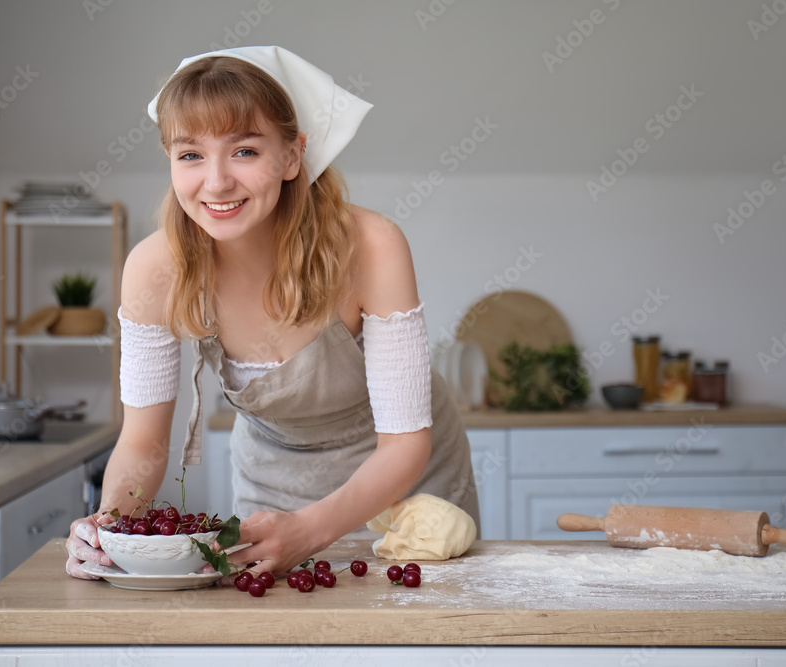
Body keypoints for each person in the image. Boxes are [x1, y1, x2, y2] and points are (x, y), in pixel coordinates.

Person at [66, 46, 479, 579]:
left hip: (408, 487)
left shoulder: (372, 247)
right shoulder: (153, 268)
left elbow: (405, 444)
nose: (215, 183)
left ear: (291, 157)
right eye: (190, 155)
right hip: (272, 481)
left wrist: (311, 531)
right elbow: (143, 440)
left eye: (244, 151)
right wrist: (110, 531)